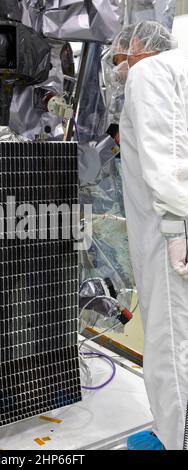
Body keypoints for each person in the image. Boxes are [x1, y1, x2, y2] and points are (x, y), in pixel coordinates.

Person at [110, 21, 188, 450]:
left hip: (169, 236)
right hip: (173, 224)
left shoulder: (150, 72)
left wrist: (177, 228)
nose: (120, 67)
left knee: (169, 341)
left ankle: (174, 438)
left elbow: (167, 156)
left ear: (139, 45)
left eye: (121, 57)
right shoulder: (180, 68)